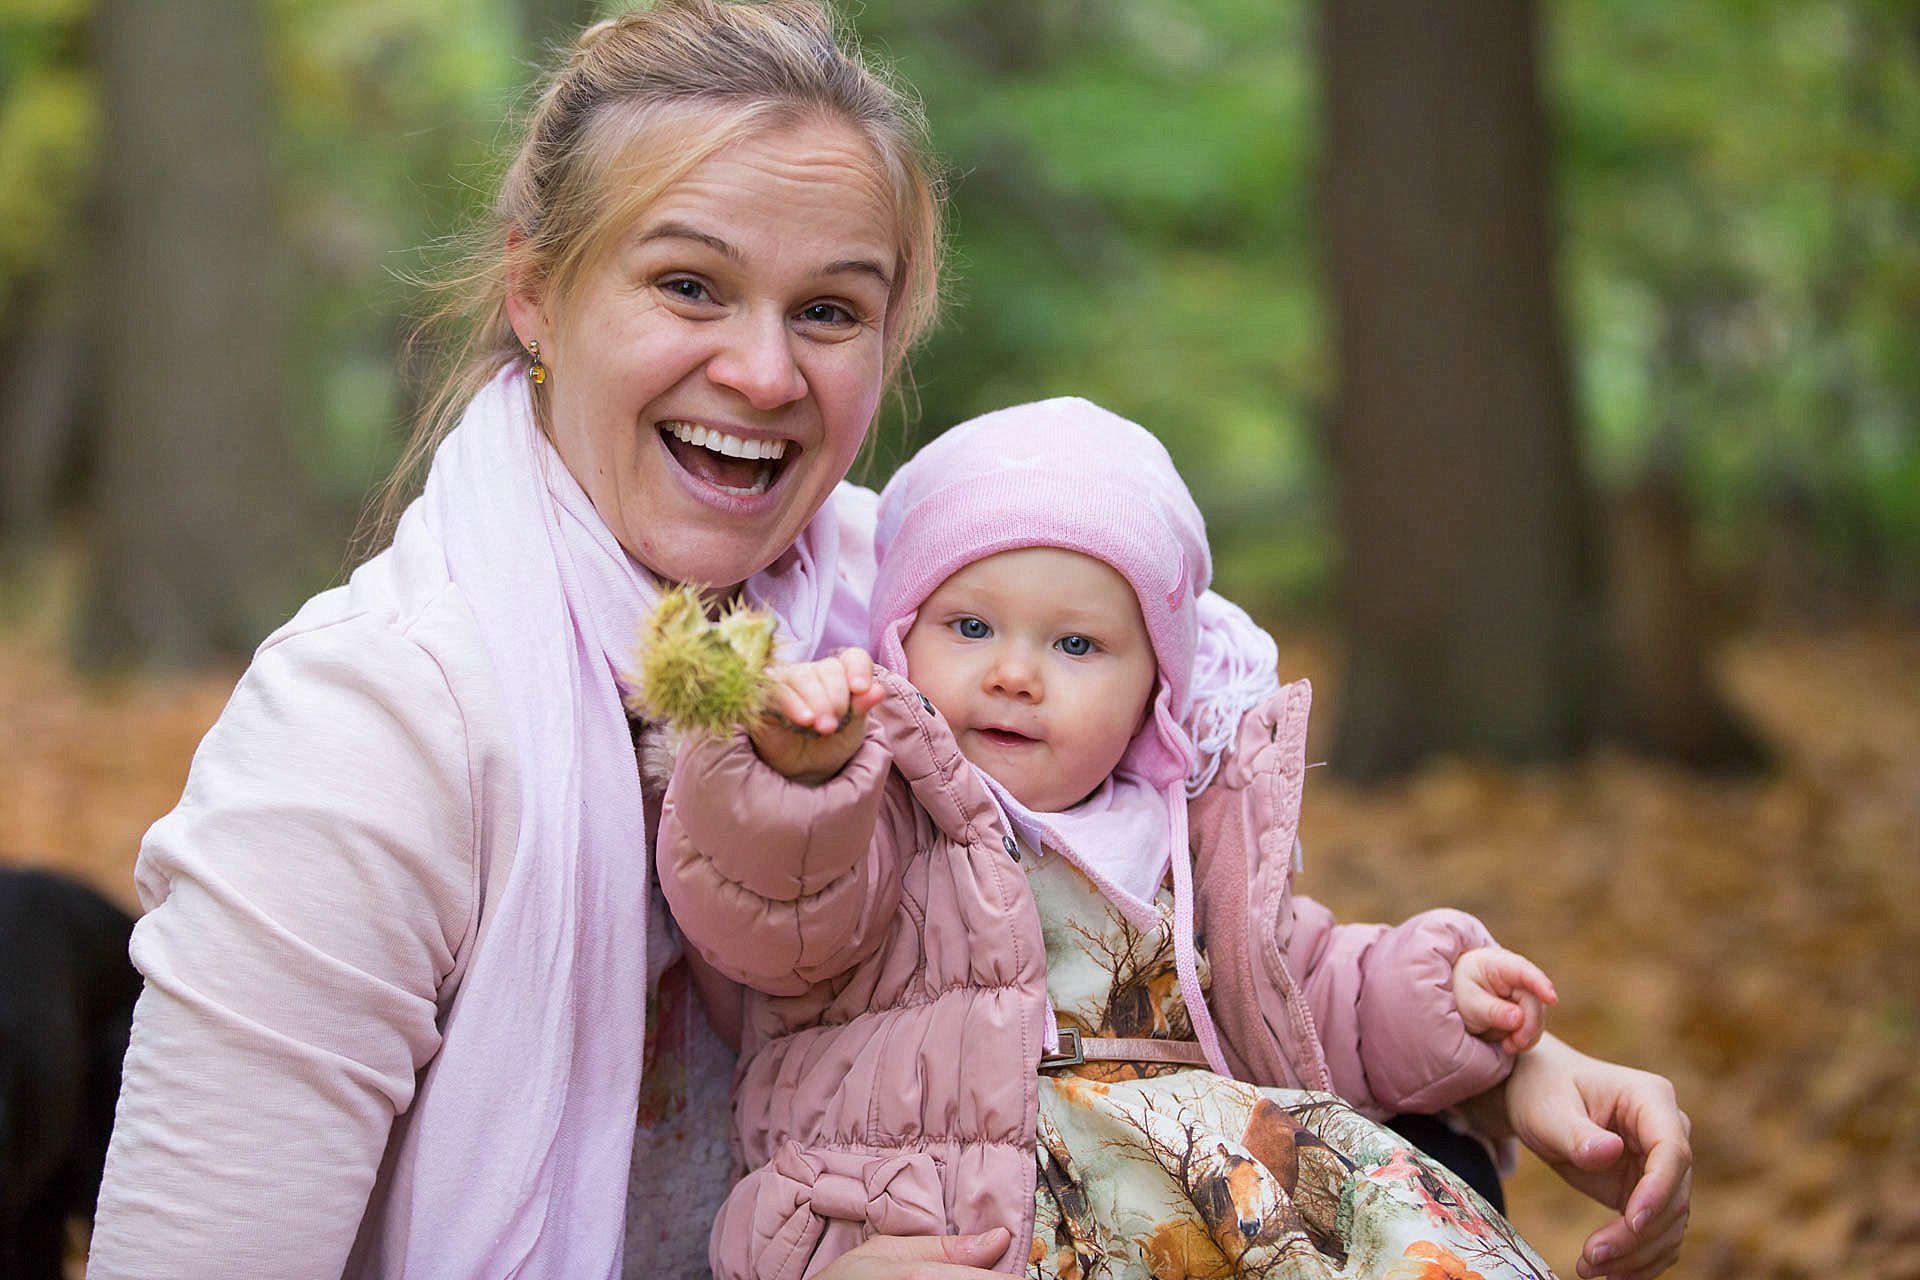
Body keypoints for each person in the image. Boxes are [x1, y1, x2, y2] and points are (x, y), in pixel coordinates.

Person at [86, 3, 1689, 1278]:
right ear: (534, 291)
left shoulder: (916, 617)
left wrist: (1501, 1070)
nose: (767, 375)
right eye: (690, 284)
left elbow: (1157, 951)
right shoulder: (376, 728)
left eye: (833, 311)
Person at [658, 398, 1567, 1278]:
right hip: (950, 1221)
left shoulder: (1174, 831)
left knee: (1410, 1242)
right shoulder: (879, 810)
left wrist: (1443, 997)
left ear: (1153, 696)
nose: (1014, 673)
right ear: (898, 640)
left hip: (1217, 1206)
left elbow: (1302, 985)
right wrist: (797, 778)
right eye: (969, 627)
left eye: (1077, 646)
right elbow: (775, 911)